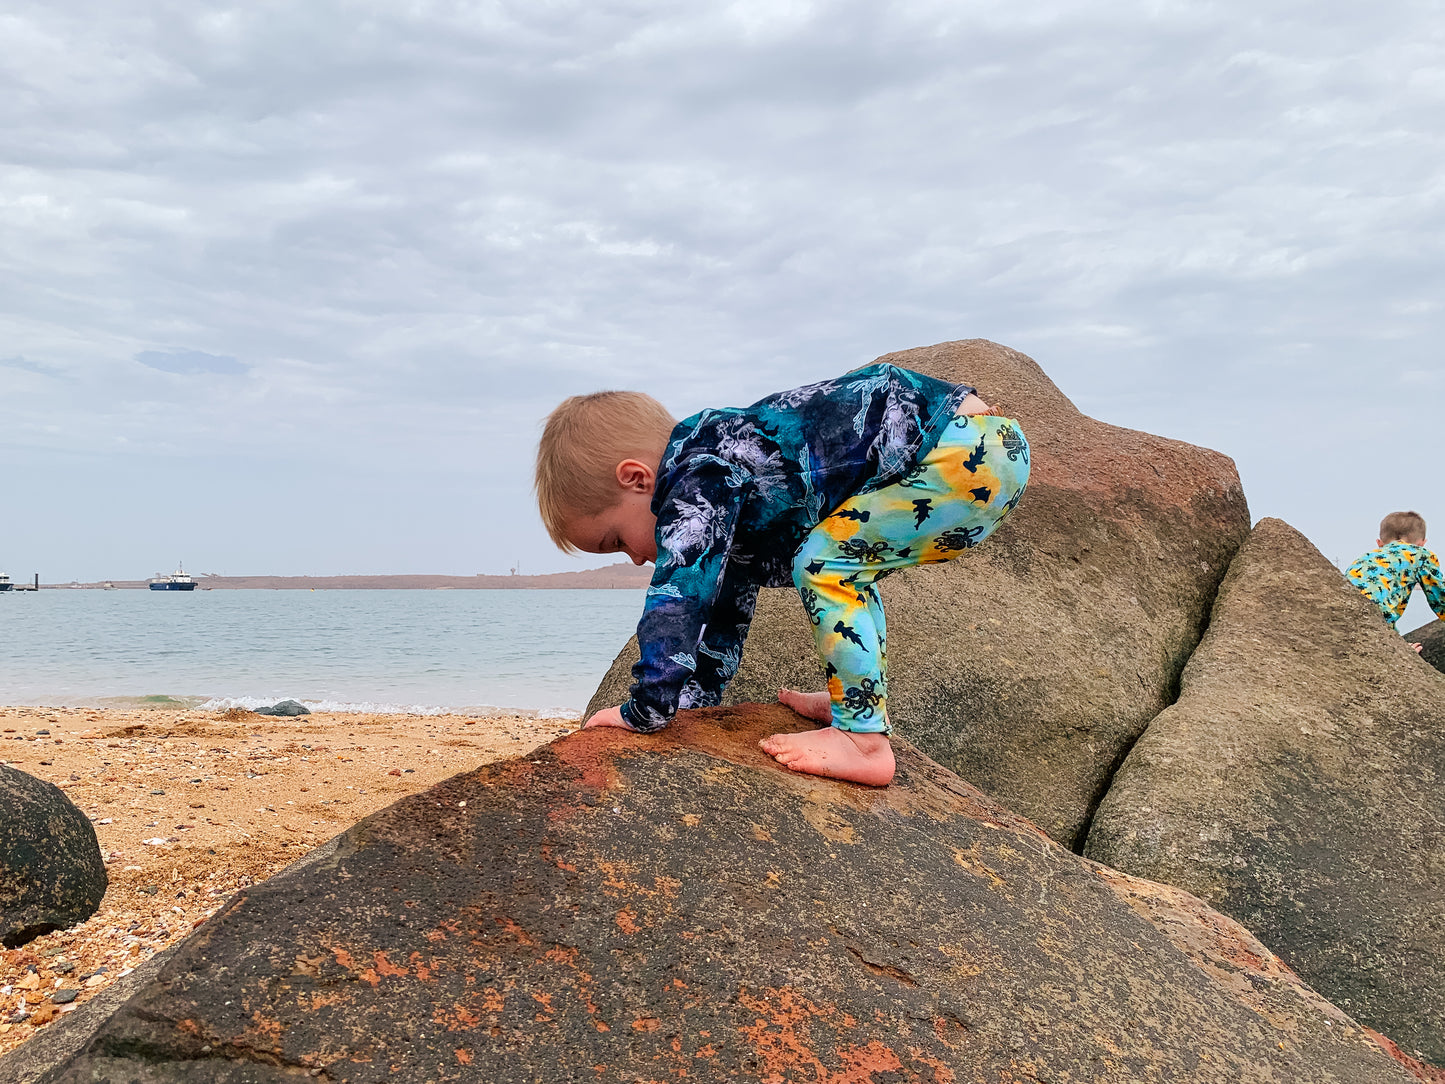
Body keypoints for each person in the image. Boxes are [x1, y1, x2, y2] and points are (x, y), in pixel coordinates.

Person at [534, 363, 1030, 786]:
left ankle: (862, 743)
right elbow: (721, 606)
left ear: (638, 478)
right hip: (982, 448)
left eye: (616, 540)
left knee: (824, 565)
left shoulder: (697, 476)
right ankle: (854, 704)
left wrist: (645, 707)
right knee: (843, 567)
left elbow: (681, 596)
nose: (634, 558)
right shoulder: (722, 476)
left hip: (962, 453)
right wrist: (689, 703)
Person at [1344, 511, 1445, 651]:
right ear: (1422, 543)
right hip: (1375, 620)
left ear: (1379, 543)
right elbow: (1440, 597)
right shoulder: (1420, 554)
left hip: (1345, 614)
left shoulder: (1365, 558)